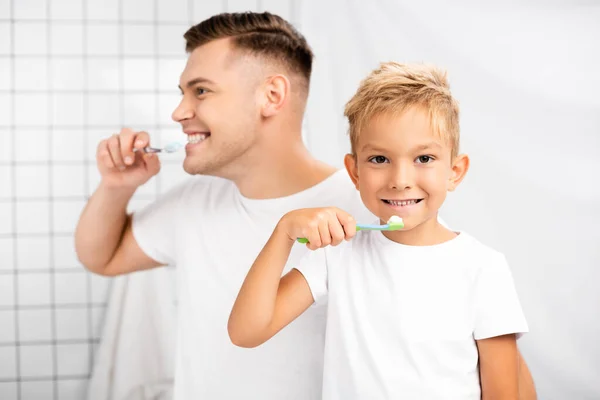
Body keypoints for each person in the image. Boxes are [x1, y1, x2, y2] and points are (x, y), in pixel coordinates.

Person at [74, 11, 536, 400]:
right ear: (357, 168)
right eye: (379, 159)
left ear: (272, 95)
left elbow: (496, 368)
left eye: (201, 90)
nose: (178, 112)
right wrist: (116, 186)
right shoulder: (216, 208)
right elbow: (104, 256)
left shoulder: (365, 215)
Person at [228, 62, 531, 399]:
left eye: (425, 158)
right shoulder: (337, 254)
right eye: (379, 160)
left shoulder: (482, 267)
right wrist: (283, 231)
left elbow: (506, 393)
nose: (400, 180)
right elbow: (246, 332)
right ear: (354, 171)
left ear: (455, 172)